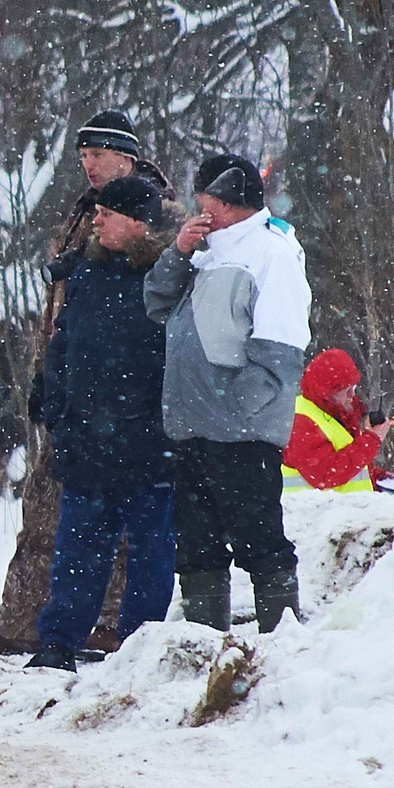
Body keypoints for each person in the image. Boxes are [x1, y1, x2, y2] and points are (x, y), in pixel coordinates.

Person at [0, 110, 172, 655]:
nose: (89, 166)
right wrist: (49, 384)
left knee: (133, 535)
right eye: (82, 158)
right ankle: (34, 626)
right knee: (54, 519)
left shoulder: (158, 222)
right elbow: (64, 316)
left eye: (97, 156)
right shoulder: (86, 216)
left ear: (125, 157)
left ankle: (119, 633)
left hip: (133, 416)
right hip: (80, 405)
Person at [143, 152, 311, 632]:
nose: (200, 212)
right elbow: (156, 303)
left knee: (260, 541)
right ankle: (204, 642)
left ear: (227, 202)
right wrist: (178, 252)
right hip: (193, 427)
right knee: (197, 547)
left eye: (205, 203)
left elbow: (280, 350)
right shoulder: (205, 251)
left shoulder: (271, 254)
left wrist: (238, 411)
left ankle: (280, 644)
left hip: (240, 434)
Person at [24, 175, 177, 671]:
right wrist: (53, 402)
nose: (96, 221)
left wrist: (156, 424)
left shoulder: (167, 277)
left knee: (151, 552)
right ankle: (58, 643)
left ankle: (139, 648)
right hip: (86, 440)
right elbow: (63, 343)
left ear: (137, 222)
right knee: (77, 549)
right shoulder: (86, 271)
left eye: (106, 214)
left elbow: (179, 360)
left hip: (149, 443)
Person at [283, 348, 394, 492]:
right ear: (327, 394)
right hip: (313, 507)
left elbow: (343, 459)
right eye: (345, 391)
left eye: (353, 388)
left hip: (338, 505)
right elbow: (325, 474)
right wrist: (371, 439)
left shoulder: (334, 412)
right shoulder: (300, 421)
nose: (352, 396)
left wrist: (373, 477)